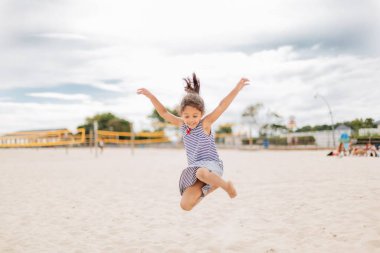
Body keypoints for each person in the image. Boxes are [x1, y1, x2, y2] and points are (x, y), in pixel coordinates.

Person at [137, 73, 249, 211]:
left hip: (211, 166)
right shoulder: (183, 125)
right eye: (187, 116)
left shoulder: (205, 124)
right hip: (195, 168)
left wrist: (237, 88)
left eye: (195, 116)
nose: (191, 120)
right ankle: (212, 186)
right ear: (182, 114)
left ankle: (227, 186)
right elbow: (164, 112)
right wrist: (150, 96)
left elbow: (222, 105)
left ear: (201, 114)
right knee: (185, 205)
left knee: (201, 173)